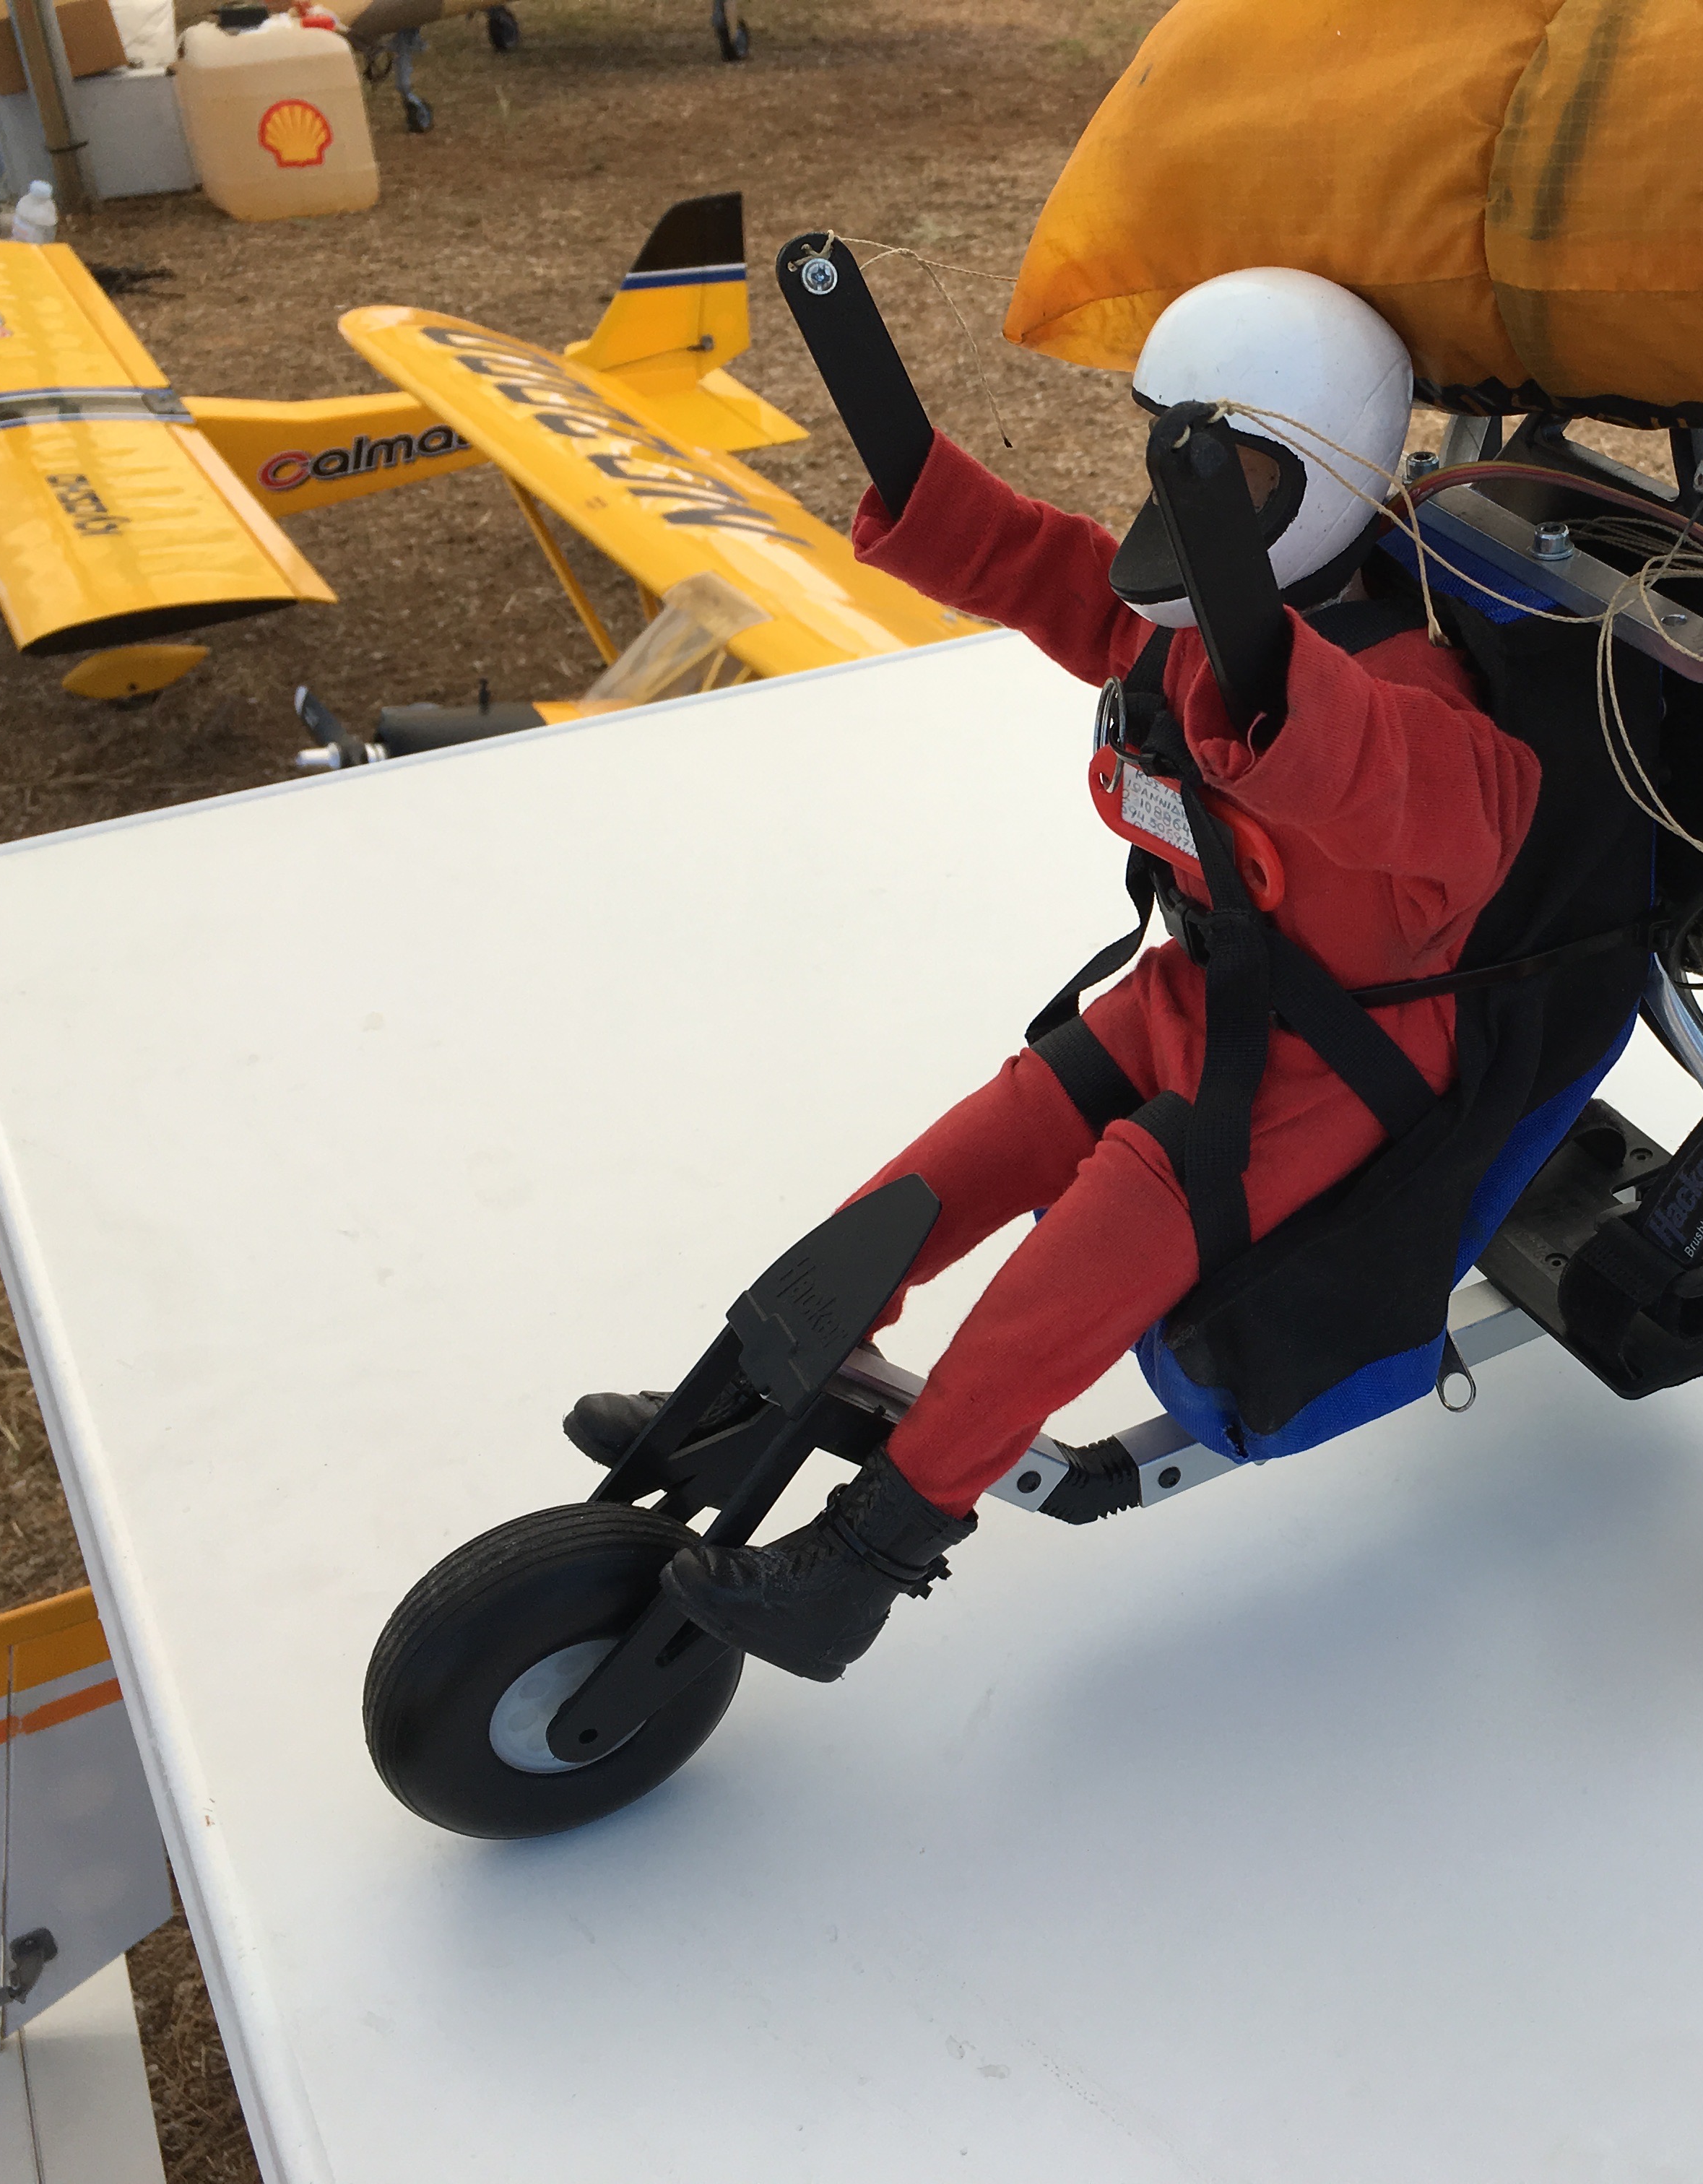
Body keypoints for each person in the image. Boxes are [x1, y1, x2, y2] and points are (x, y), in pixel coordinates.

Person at [566, 268, 1543, 1683]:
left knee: (1076, 1263)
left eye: (1227, 477)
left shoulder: (1422, 718)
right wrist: (901, 446)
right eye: (1174, 460)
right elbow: (1043, 568)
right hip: (1201, 992)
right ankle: (740, 1395)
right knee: (941, 1172)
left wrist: (1265, 669)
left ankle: (868, 1557)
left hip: (1335, 1068)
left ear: (1314, 480)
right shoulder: (1179, 622)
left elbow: (1412, 788)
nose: (1183, 510)